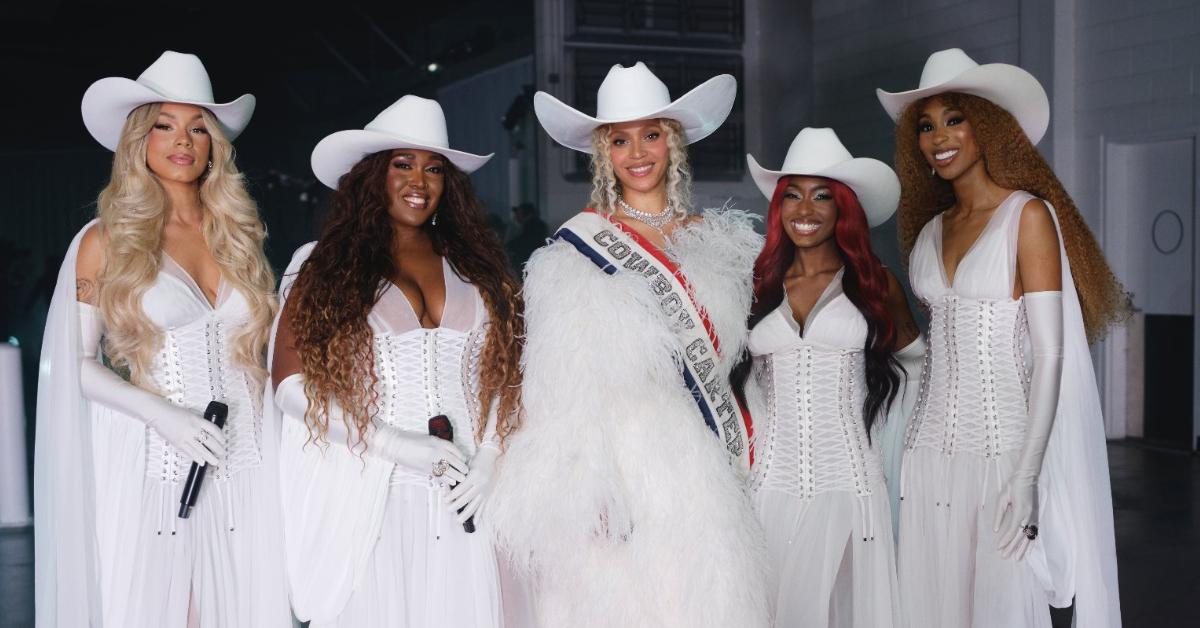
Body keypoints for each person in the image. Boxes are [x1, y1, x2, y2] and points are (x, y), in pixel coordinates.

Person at [488, 61, 769, 628]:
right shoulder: (575, 253)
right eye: (620, 139)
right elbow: (558, 389)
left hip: (703, 468)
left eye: (651, 134)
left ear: (674, 142)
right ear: (603, 153)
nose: (638, 152)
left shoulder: (718, 244)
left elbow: (737, 366)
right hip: (622, 465)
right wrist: (590, 487)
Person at [34, 51, 289, 628]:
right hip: (158, 459)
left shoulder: (239, 237)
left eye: (199, 127)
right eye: (165, 125)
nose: (184, 140)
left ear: (215, 144)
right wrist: (161, 415)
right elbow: (74, 363)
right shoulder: (107, 239)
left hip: (248, 459)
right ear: (138, 141)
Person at [877, 48, 1127, 628]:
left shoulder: (1028, 216)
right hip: (926, 452)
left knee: (999, 609)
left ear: (986, 125)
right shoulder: (929, 231)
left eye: (954, 118)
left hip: (1003, 454)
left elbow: (1050, 353)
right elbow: (934, 352)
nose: (939, 136)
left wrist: (1027, 473)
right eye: (926, 124)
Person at [269, 94, 523, 628]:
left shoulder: (478, 270)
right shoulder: (321, 266)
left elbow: (507, 375)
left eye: (434, 169)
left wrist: (492, 458)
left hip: (468, 499)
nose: (420, 181)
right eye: (402, 164)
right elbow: (289, 386)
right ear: (371, 176)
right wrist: (394, 443)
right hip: (374, 496)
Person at [738, 127, 923, 627]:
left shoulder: (876, 284)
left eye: (823, 196)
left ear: (844, 208)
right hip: (768, 488)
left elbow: (919, 373)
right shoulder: (754, 286)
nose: (805, 209)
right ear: (778, 208)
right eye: (792, 196)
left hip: (850, 486)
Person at [504, 202, 548, 274]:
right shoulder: (534, 225)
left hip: (531, 263)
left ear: (527, 214)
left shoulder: (533, 226)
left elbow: (525, 242)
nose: (516, 216)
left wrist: (509, 246)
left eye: (519, 214)